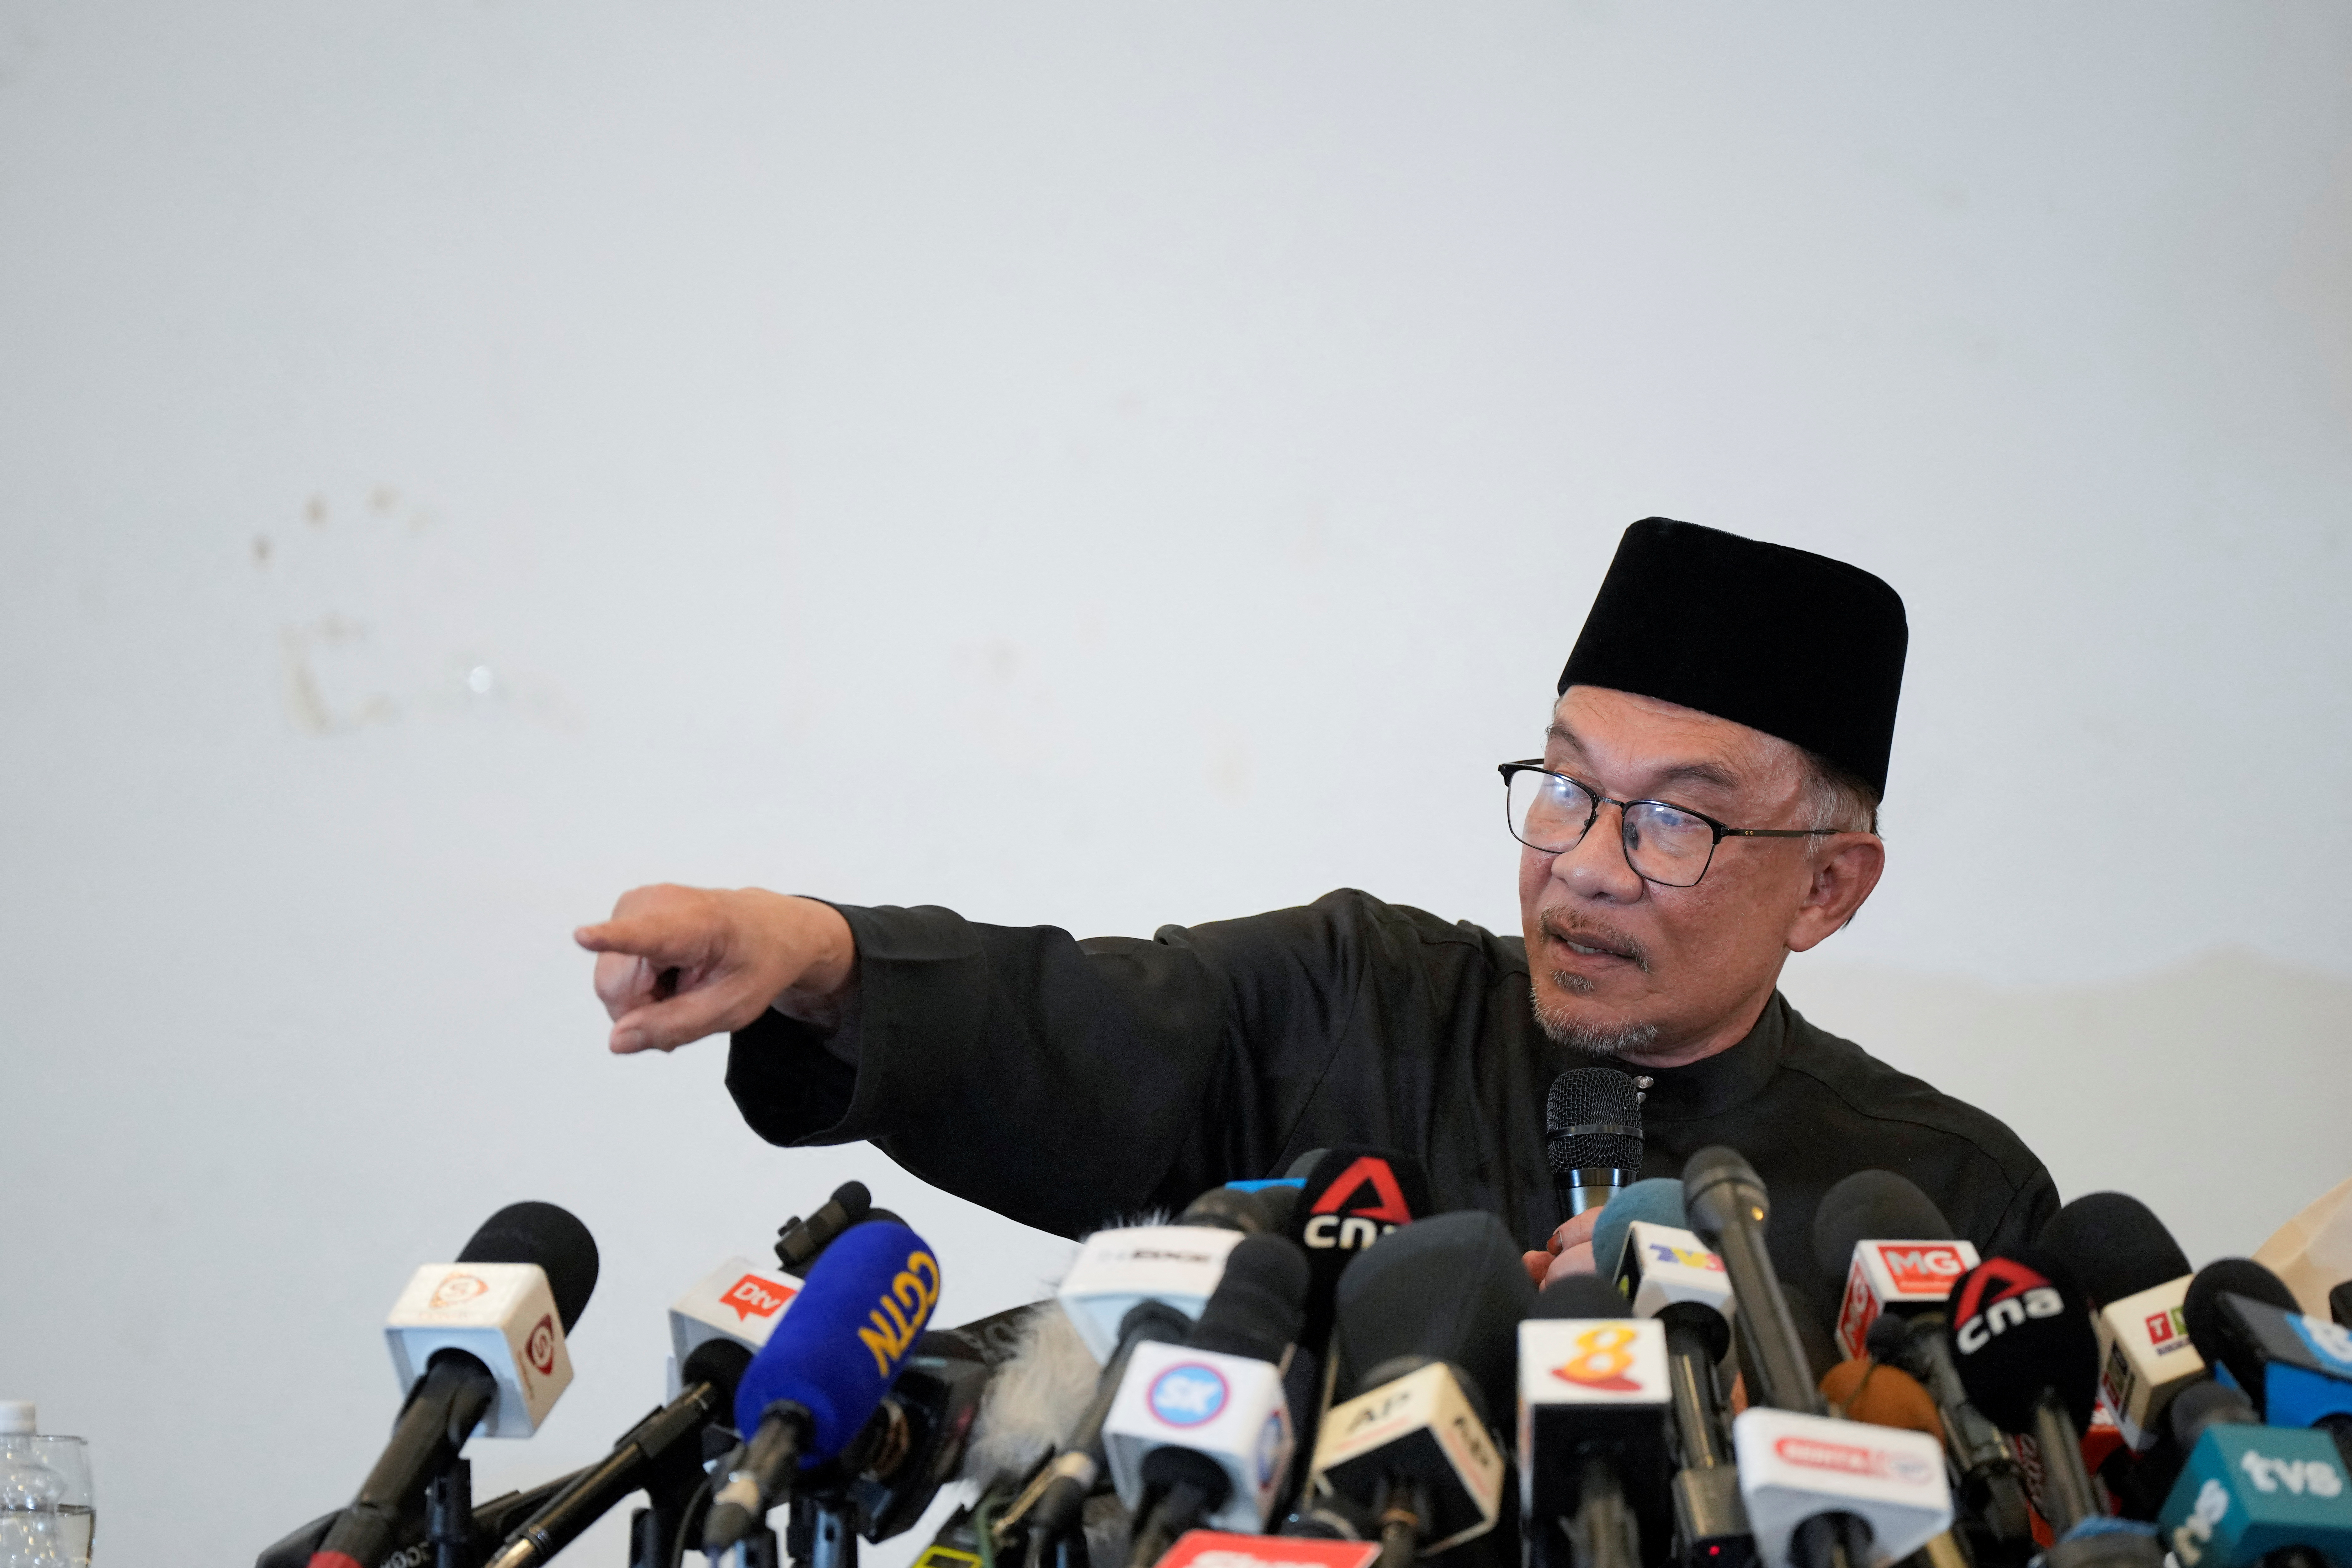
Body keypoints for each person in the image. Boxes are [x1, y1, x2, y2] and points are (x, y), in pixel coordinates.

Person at [576, 518, 2056, 1332]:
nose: (1588, 866)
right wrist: (819, 952)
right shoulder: (1361, 993)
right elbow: (1084, 1022)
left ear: (1828, 885)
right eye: (1565, 789)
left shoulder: (1943, 1196)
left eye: (1677, 819)